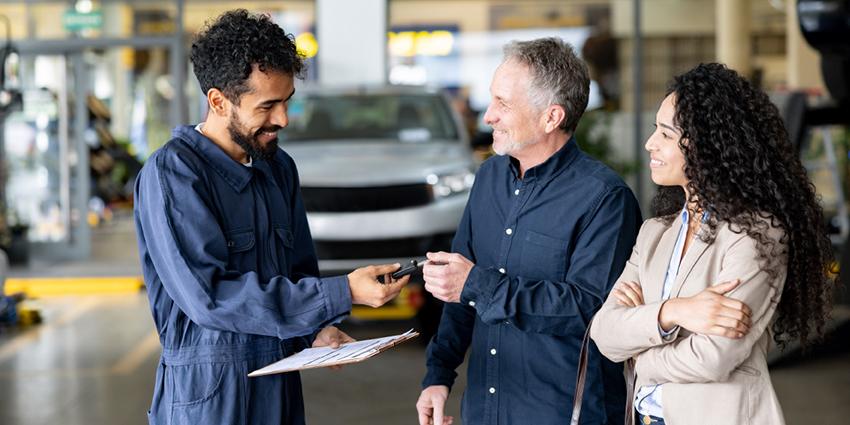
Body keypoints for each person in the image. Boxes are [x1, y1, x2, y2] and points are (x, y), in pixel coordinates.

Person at [134, 10, 408, 425]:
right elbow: (210, 297)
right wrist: (341, 293)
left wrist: (317, 329)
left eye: (287, 102)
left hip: (279, 382)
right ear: (218, 101)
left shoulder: (278, 168)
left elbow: (297, 270)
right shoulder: (173, 174)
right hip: (210, 394)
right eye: (267, 105)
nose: (281, 119)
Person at [589, 63, 835, 425]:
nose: (649, 143)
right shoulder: (655, 233)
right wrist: (672, 312)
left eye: (666, 134)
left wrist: (637, 354)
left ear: (707, 146)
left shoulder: (756, 235)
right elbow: (604, 332)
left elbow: (712, 357)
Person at [415, 37, 642, 425]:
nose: (487, 116)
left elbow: (590, 312)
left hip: (564, 413)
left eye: (503, 103)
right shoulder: (488, 178)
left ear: (551, 117)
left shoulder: (604, 199)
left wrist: (479, 285)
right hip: (486, 411)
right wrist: (439, 375)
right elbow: (459, 285)